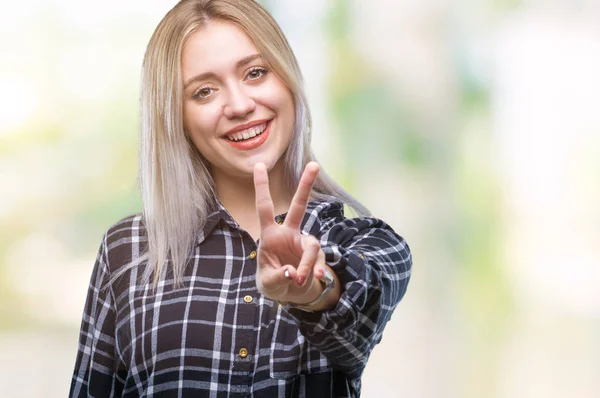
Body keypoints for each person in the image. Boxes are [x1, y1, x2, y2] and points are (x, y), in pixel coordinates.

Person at [69, 0, 412, 397]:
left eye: (255, 72)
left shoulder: (370, 244)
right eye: (204, 92)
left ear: (287, 78)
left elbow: (357, 312)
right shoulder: (127, 252)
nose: (239, 105)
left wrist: (313, 290)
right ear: (176, 116)